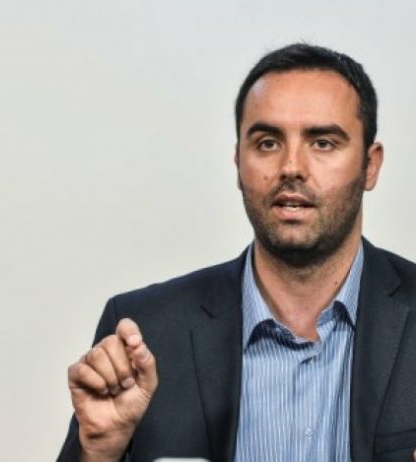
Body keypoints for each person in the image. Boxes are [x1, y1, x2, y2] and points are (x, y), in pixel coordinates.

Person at [58, 44, 416, 462]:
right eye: (267, 143)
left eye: (322, 143)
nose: (291, 167)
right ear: (238, 162)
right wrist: (100, 452)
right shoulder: (145, 332)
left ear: (370, 166)